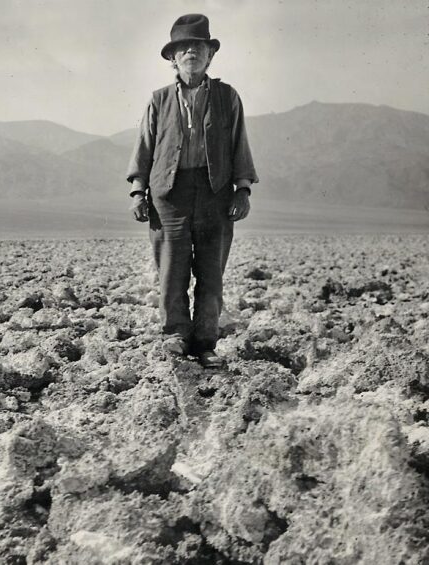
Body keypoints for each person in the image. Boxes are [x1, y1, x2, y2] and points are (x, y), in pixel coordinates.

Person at [126, 13, 258, 368]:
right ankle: (175, 336)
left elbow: (239, 144)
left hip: (215, 192)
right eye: (183, 48)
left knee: (211, 272)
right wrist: (138, 191)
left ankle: (205, 342)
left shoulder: (228, 97)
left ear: (210, 54)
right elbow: (144, 147)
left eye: (198, 47)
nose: (191, 53)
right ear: (173, 57)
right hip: (169, 194)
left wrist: (243, 189)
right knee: (172, 270)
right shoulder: (159, 100)